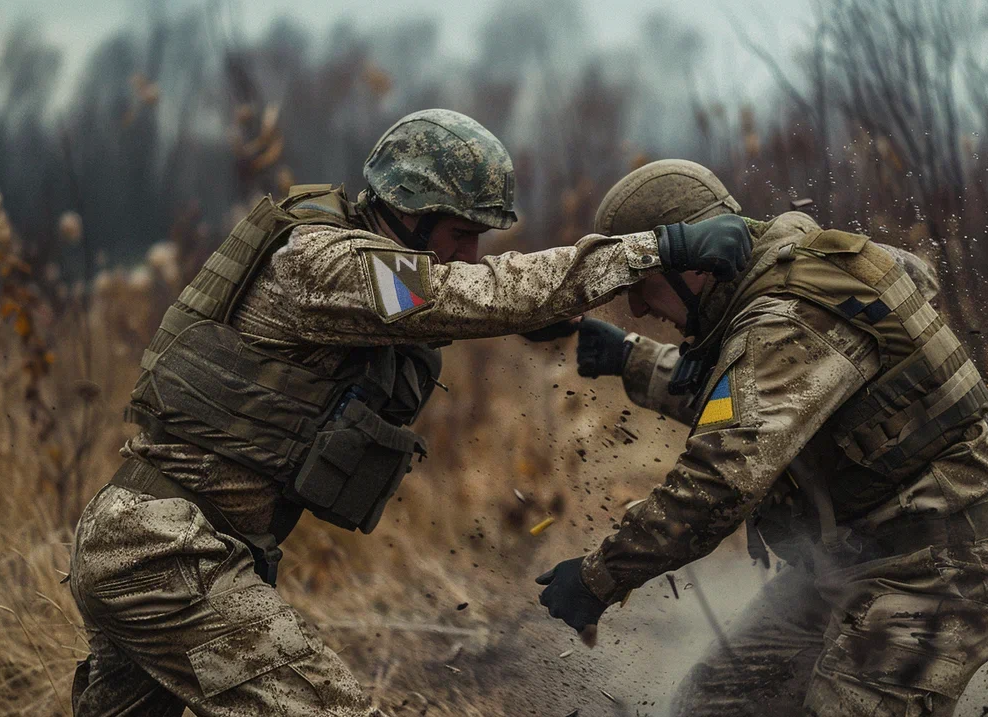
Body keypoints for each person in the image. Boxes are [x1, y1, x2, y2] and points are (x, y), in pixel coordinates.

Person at [66, 113, 753, 716]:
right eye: (459, 233)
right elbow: (452, 294)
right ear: (408, 210)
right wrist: (656, 250)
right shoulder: (322, 262)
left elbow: (441, 297)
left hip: (158, 547)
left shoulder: (362, 273)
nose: (469, 254)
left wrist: (538, 319)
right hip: (165, 554)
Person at [535, 159, 988, 716]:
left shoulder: (789, 317)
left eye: (643, 284)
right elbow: (754, 399)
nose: (639, 306)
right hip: (846, 562)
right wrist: (626, 355)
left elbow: (719, 482)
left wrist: (598, 577)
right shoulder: (781, 279)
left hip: (932, 574)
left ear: (695, 263)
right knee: (712, 707)